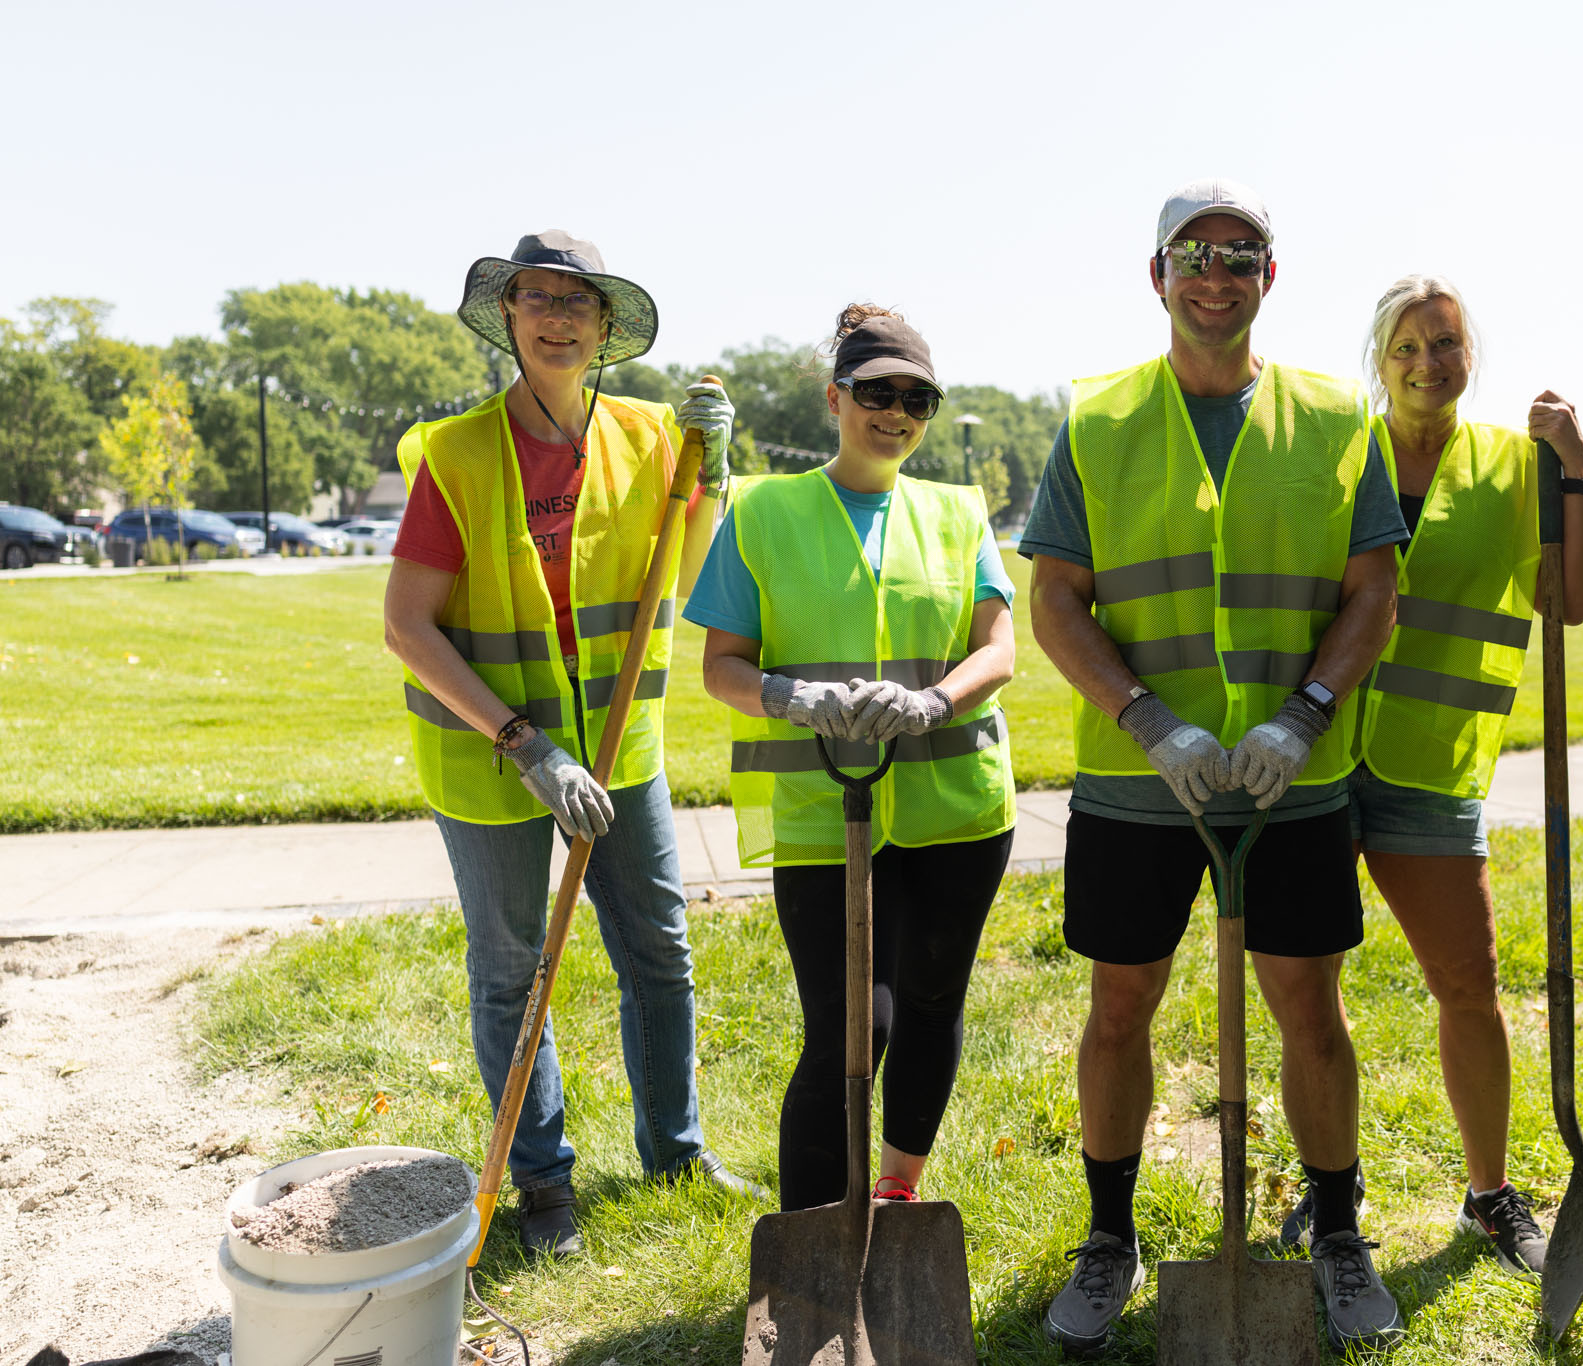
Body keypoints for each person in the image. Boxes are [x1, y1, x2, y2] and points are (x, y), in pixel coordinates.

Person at [1022, 179, 1409, 1354]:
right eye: (1192, 254)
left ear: (1268, 281)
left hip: (1291, 780)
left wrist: (1300, 717)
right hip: (1140, 783)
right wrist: (1149, 721)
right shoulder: (1095, 421)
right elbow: (1053, 601)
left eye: (1240, 257)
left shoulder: (1340, 418)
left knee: (1311, 1011)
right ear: (1156, 276)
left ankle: (1336, 1233)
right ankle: (1107, 1235)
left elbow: (1371, 592)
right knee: (1117, 1006)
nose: (1215, 274)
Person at [384, 231, 764, 1257]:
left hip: (616, 750)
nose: (557, 314)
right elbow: (406, 625)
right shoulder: (458, 455)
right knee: (513, 969)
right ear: (507, 316)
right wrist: (524, 745)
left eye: (578, 302)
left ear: (603, 330)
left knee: (658, 949)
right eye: (536, 297)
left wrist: (710, 477)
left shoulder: (649, 437)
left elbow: (680, 577)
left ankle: (676, 1152)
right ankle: (544, 1183)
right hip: (488, 757)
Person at [1281, 273, 1583, 1278]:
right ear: (1379, 362)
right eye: (1408, 347)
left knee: (1466, 983)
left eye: (1446, 344)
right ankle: (1329, 1183)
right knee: (1311, 990)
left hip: (1430, 763)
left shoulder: (1516, 468)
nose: (1429, 363)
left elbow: (1569, 601)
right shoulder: (1336, 454)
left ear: (1471, 354)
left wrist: (1575, 467)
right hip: (1320, 754)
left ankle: (1488, 1194)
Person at [691, 304, 1017, 1212]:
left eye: (918, 398)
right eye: (877, 392)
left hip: (957, 808)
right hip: (816, 813)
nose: (897, 413)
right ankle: (813, 1236)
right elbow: (720, 665)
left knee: (928, 1007)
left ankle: (897, 1197)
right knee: (847, 1029)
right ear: (836, 397)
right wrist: (796, 698)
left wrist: (932, 702)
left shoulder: (958, 513)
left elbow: (999, 648)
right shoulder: (763, 509)